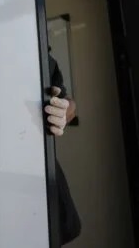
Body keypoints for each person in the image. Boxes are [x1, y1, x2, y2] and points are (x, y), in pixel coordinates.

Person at [44, 48, 81, 245]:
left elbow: (69, 102)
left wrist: (65, 109)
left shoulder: (41, 53)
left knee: (62, 226)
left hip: (40, 160)